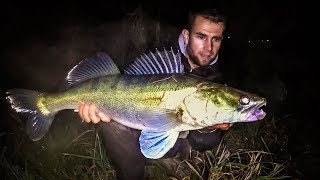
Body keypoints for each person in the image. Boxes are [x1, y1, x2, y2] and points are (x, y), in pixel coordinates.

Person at [78, 8, 231, 180]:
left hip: (179, 140)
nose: (209, 48)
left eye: (216, 39)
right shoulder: (160, 49)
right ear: (186, 35)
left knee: (203, 148)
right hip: (138, 124)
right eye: (201, 37)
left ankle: (169, 161)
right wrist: (101, 106)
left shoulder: (217, 80)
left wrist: (208, 128)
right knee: (112, 124)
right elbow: (124, 77)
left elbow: (203, 144)